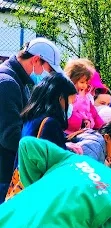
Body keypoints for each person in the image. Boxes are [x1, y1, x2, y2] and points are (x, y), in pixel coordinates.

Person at [0, 37, 63, 200]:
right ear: (36, 60)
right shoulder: (7, 84)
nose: (47, 78)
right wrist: (46, 152)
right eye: (48, 71)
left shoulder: (18, 82)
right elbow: (11, 137)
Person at [19, 74, 77, 150]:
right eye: (69, 103)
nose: (69, 107)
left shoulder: (31, 117)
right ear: (60, 99)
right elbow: (56, 157)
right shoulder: (50, 123)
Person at [63, 58, 104, 134]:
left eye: (86, 83)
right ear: (71, 80)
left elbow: (94, 114)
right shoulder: (65, 96)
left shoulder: (86, 98)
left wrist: (90, 122)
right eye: (82, 82)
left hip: (82, 132)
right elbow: (68, 116)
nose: (84, 86)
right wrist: (81, 123)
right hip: (68, 134)